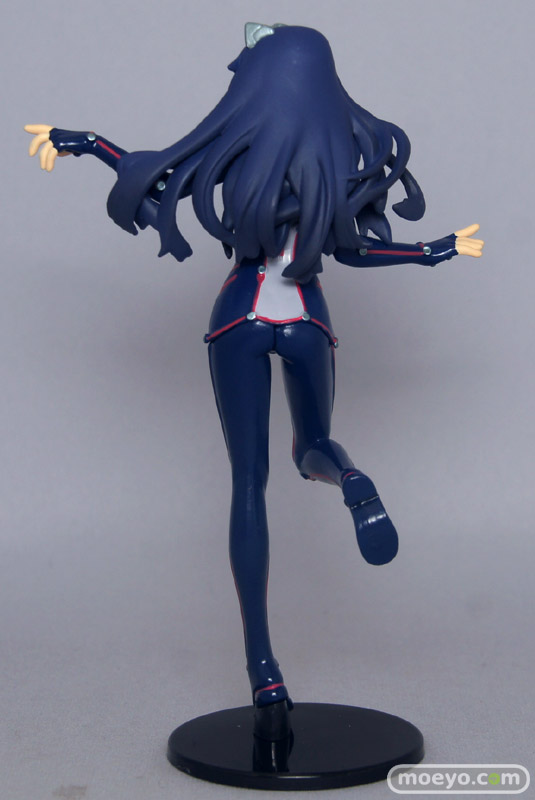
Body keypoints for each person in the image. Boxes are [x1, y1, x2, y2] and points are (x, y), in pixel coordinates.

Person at [25, 23, 483, 735]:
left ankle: (263, 669)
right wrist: (431, 250)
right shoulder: (335, 162)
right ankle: (351, 479)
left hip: (240, 316)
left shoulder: (238, 158)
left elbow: (164, 180)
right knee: (313, 447)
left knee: (249, 482)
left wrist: (87, 143)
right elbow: (356, 252)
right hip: (306, 320)